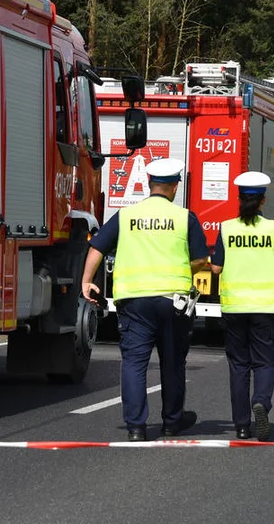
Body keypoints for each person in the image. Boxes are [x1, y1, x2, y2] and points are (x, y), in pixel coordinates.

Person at [81, 158, 210, 441]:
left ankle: (136, 427)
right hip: (173, 302)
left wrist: (87, 281)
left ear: (149, 184)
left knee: (134, 363)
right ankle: (172, 421)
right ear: (175, 186)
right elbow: (201, 258)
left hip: (134, 302)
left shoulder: (126, 216)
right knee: (173, 362)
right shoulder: (184, 217)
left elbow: (97, 247)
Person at [211, 172, 274, 441]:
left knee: (239, 366)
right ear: (262, 201)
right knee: (266, 363)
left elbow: (216, 268)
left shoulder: (227, 228)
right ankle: (262, 402)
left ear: (239, 199)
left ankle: (242, 425)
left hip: (234, 308)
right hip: (266, 308)